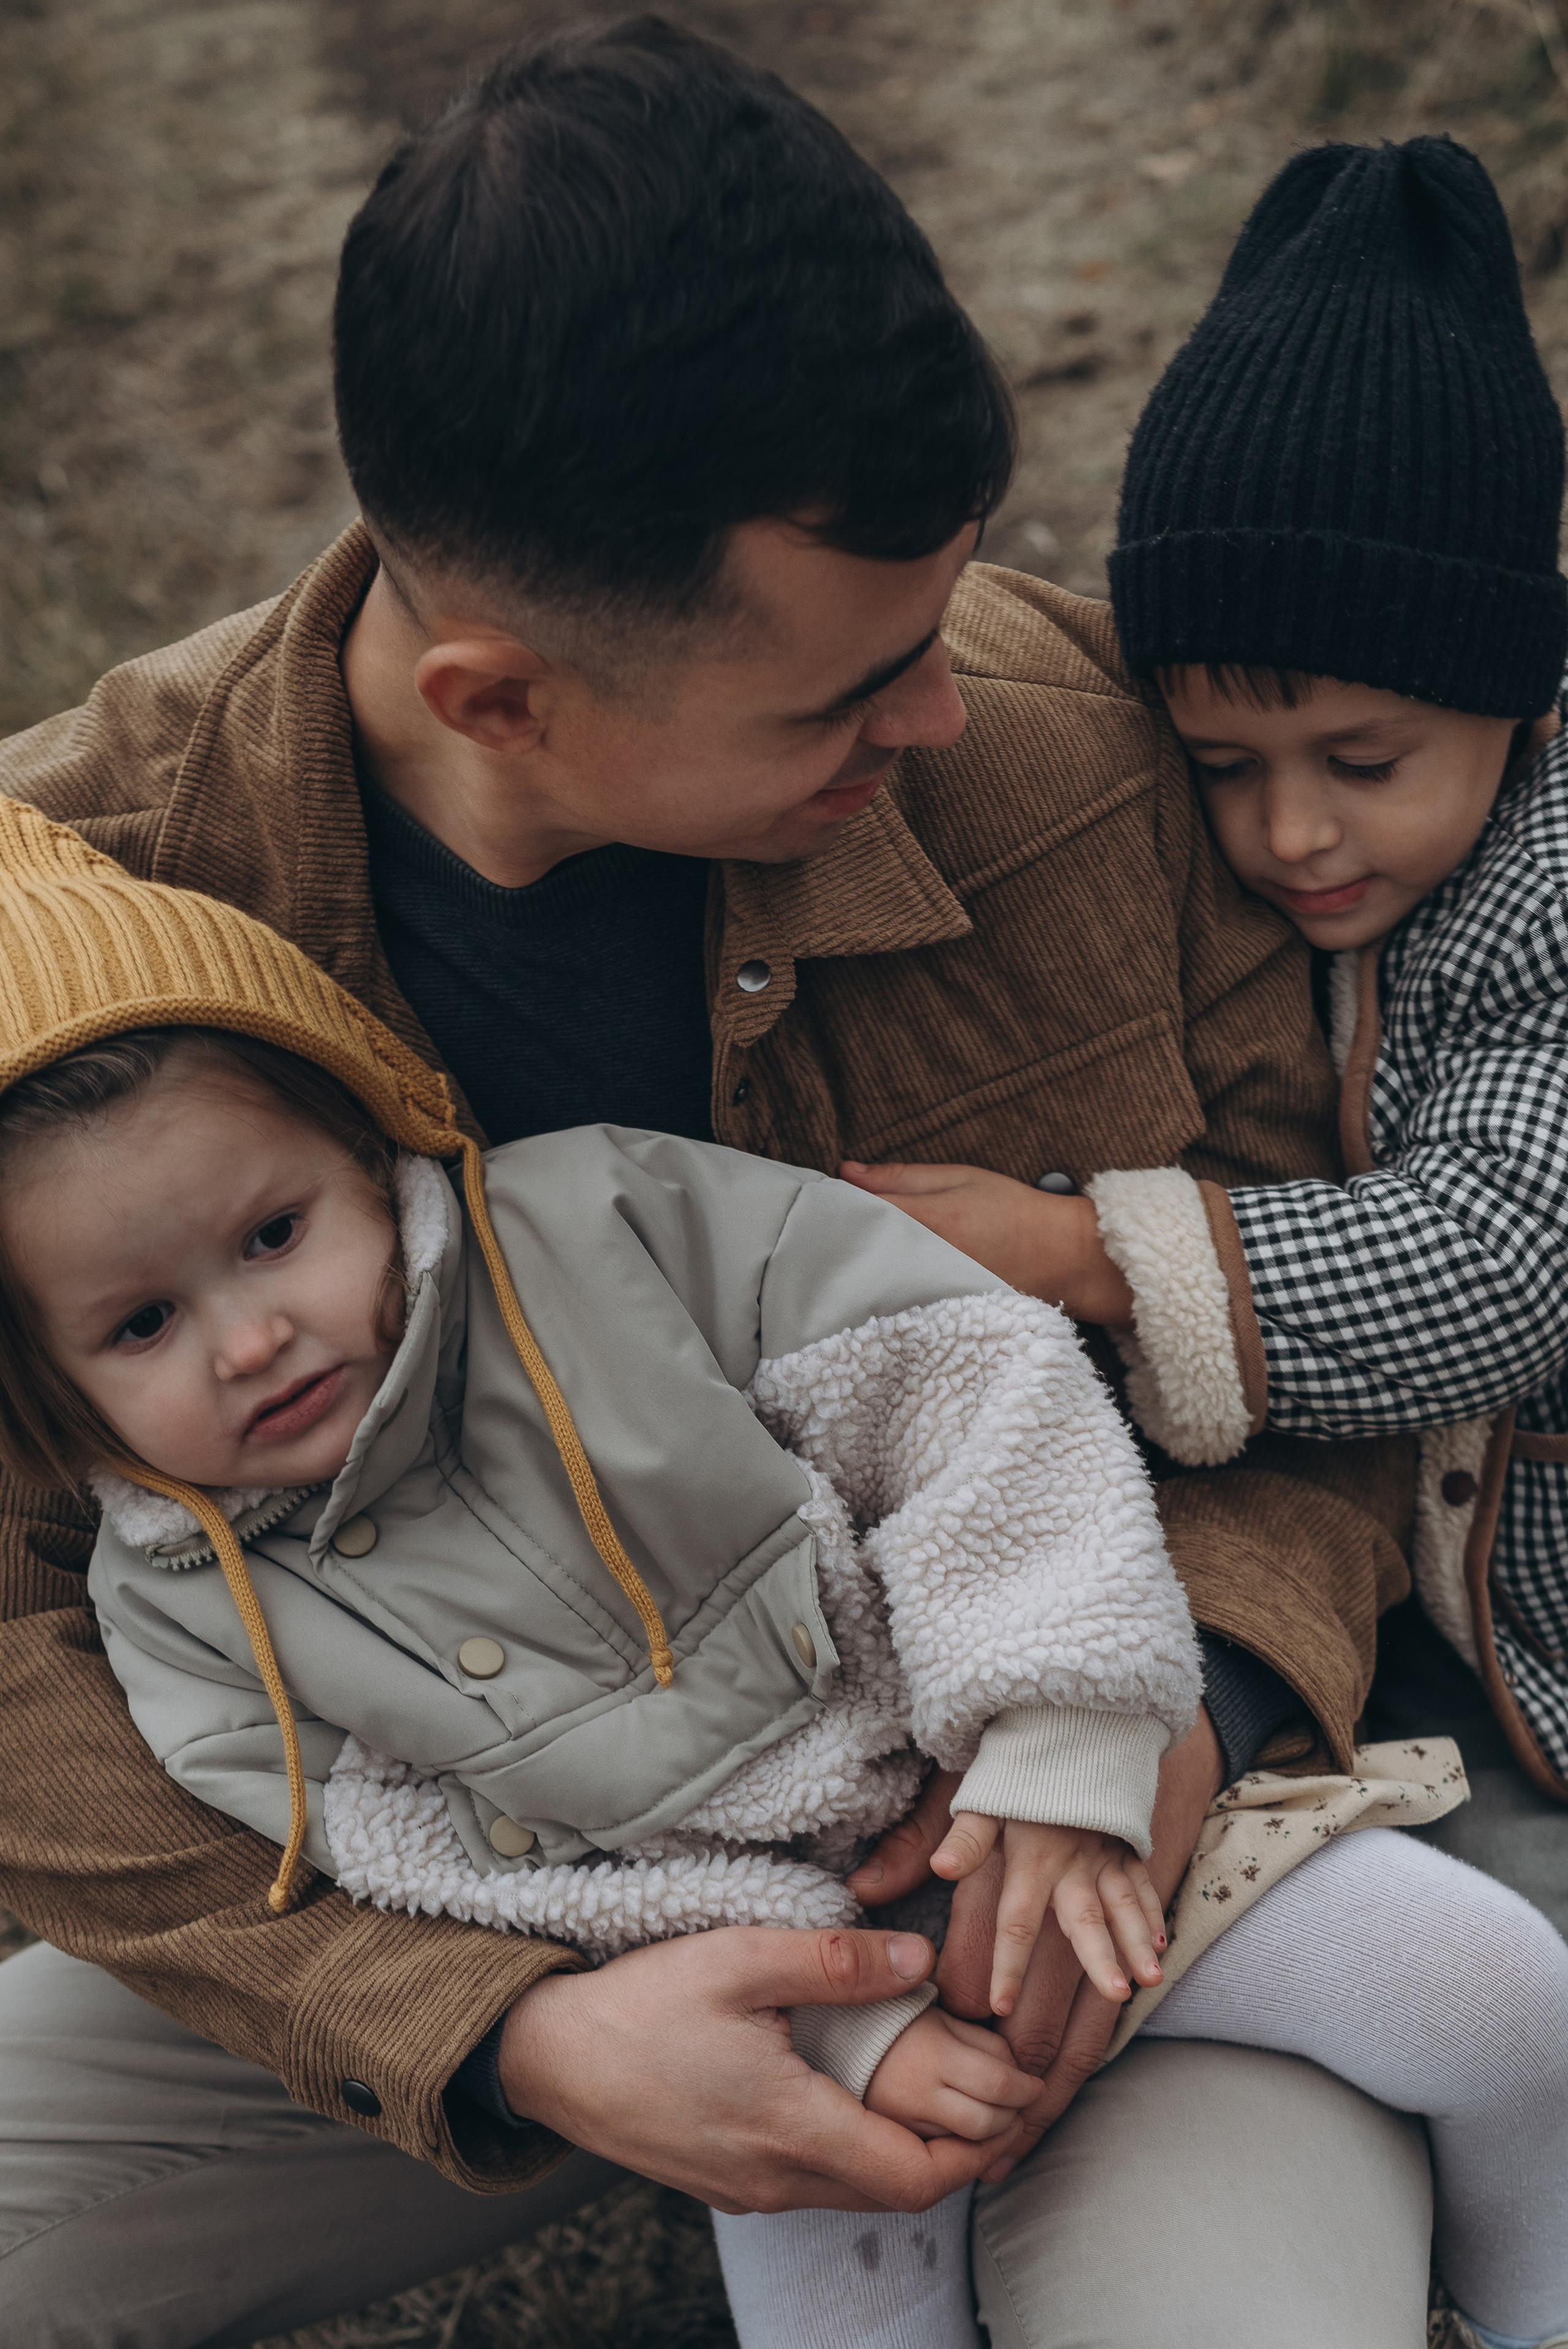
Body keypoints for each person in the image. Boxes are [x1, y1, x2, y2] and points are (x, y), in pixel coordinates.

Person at [0, 23, 1436, 2349]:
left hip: (1098, 1870)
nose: (944, 719)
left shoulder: (1048, 746)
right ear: (496, 700)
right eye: (845, 698)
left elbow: (1301, 1314)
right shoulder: (80, 925)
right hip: (474, 1904)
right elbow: (15, 1648)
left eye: (940, 625)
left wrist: (1162, 1733)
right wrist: (493, 2022)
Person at [1, 815, 1561, 2349]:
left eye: (275, 1234)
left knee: (1489, 1990)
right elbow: (414, 1864)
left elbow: (971, 1385)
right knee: (833, 2285)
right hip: (753, 1995)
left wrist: (1067, 1740)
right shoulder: (183, 1613)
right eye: (140, 1326)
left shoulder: (604, 1224)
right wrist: (822, 2012)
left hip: (1058, 1827)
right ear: (46, 1391)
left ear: (369, 1146)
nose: (247, 1335)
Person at [851, 138, 1568, 2349]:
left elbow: (1500, 1252)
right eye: (1227, 760)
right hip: (1411, 1633)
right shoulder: (1265, 873)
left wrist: (1086, 1253)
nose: (1291, 833)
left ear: (1519, 694)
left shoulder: (1546, 896)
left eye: (1364, 756)